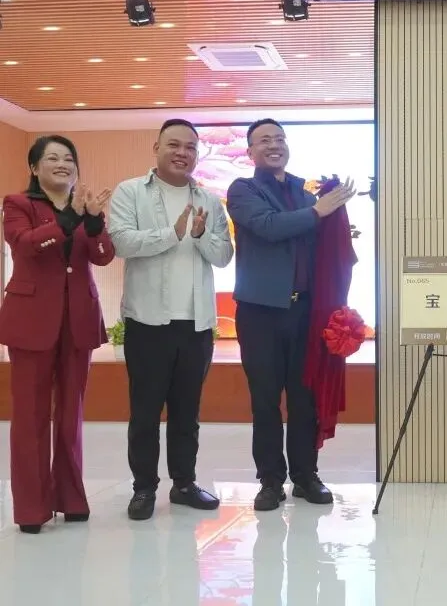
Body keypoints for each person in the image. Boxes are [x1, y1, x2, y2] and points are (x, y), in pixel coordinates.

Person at [226, 118, 356, 512]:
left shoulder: (305, 191)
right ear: (250, 151)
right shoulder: (243, 190)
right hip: (260, 313)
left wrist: (331, 214)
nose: (274, 145)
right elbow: (268, 227)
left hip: (306, 311)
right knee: (265, 399)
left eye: (280, 138)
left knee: (305, 397)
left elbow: (325, 241)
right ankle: (270, 481)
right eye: (264, 140)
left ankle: (305, 475)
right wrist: (318, 212)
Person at [108, 118, 234, 521]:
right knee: (145, 413)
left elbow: (224, 255)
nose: (182, 153)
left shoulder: (209, 200)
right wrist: (172, 233)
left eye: (190, 147)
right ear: (157, 148)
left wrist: (198, 236)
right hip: (148, 323)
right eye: (174, 145)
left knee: (186, 413)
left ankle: (184, 484)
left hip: (195, 324)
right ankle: (144, 488)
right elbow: (121, 243)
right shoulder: (131, 191)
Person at [0, 135, 115, 534]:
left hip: (78, 321)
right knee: (30, 417)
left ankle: (71, 498)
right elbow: (25, 244)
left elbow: (103, 256)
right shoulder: (18, 204)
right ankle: (32, 508)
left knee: (71, 415)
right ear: (34, 168)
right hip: (31, 320)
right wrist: (69, 219)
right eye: (52, 158)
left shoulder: (87, 207)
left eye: (68, 158)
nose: (62, 164)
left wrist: (95, 224)